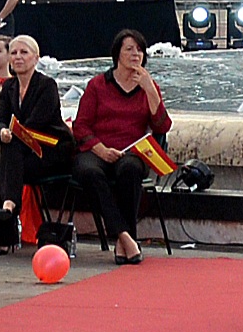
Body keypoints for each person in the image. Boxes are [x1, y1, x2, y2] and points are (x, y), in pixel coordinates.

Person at [70, 30, 174, 264]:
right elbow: (81, 127)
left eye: (139, 50)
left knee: (130, 170)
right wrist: (101, 149)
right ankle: (126, 237)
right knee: (89, 172)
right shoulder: (98, 84)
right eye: (129, 49)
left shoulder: (149, 85)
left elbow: (162, 127)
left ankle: (122, 241)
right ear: (117, 53)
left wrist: (149, 90)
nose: (135, 54)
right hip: (97, 150)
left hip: (130, 152)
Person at [0, 29, 71, 253]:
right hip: (22, 151)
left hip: (50, 149)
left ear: (35, 58)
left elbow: (35, 122)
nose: (17, 57)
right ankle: (8, 207)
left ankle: (4, 224)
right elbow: (0, 119)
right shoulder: (9, 87)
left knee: (11, 153)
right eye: (14, 52)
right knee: (11, 151)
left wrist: (9, 134)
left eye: (23, 52)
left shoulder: (47, 86)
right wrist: (1, 133)